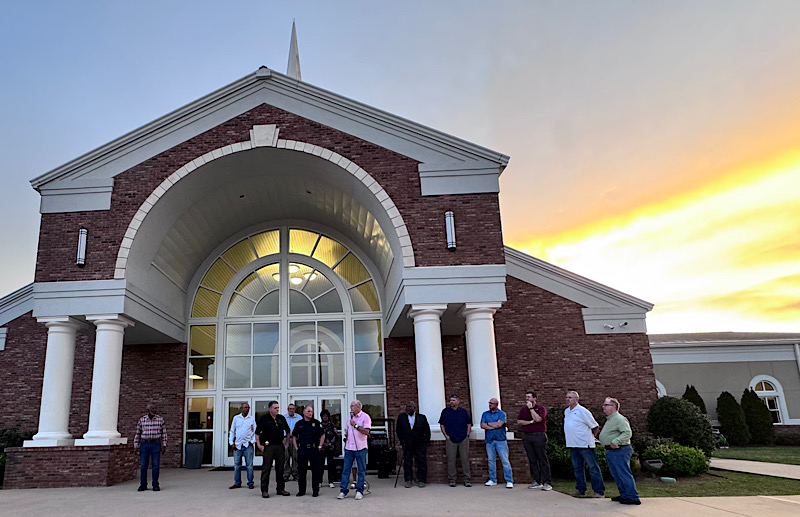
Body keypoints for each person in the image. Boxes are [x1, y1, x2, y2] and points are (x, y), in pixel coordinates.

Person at [599, 397, 641, 505]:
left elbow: (627, 433)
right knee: (616, 474)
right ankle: (624, 494)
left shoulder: (619, 419)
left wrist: (616, 441)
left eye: (606, 405)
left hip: (620, 450)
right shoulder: (610, 419)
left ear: (614, 407)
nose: (603, 407)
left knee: (623, 473)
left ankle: (632, 496)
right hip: (611, 451)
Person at [564, 390, 605, 498]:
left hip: (585, 445)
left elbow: (595, 426)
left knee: (593, 468)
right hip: (573, 444)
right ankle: (580, 489)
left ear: (576, 399)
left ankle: (598, 491)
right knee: (578, 468)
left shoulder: (583, 411)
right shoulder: (566, 411)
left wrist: (592, 437)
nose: (568, 399)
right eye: (567, 397)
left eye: (570, 398)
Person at [516, 391, 552, 490]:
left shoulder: (541, 409)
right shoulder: (523, 410)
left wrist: (531, 409)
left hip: (539, 435)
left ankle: (547, 482)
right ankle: (537, 480)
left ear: (535, 398)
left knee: (542, 458)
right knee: (532, 459)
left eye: (529, 397)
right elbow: (519, 421)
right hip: (527, 436)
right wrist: (530, 422)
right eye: (526, 397)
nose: (527, 399)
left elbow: (539, 419)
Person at [255, 401, 291, 498]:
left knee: (280, 468)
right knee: (266, 468)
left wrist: (287, 443)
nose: (277, 409)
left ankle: (280, 489)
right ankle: (264, 490)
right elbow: (257, 433)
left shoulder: (281, 418)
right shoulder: (264, 419)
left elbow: (288, 431)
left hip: (279, 446)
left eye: (278, 407)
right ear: (270, 409)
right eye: (275, 408)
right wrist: (259, 445)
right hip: (268, 446)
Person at [337, 400, 371, 500]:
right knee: (346, 470)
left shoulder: (365, 417)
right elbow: (347, 431)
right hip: (349, 448)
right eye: (350, 406)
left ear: (358, 407)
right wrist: (346, 443)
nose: (351, 408)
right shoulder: (349, 417)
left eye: (352, 406)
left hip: (360, 447)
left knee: (361, 470)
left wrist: (355, 425)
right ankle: (343, 491)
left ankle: (359, 490)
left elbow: (366, 432)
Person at [438, 394, 472, 487]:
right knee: (451, 460)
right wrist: (446, 436)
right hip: (451, 439)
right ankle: (452, 479)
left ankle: (467, 479)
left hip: (463, 439)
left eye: (453, 400)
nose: (452, 402)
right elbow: (442, 425)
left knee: (465, 459)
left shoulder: (463, 412)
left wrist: (467, 435)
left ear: (458, 401)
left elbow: (468, 424)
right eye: (451, 400)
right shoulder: (445, 412)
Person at [396, 401, 431, 488]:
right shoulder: (401, 417)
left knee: (421, 461)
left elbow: (427, 430)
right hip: (407, 443)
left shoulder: (422, 417)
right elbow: (398, 430)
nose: (408, 408)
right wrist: (402, 440)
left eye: (410, 407)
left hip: (419, 443)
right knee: (407, 462)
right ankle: (408, 480)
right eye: (407, 407)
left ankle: (422, 480)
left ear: (414, 408)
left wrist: (425, 441)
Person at [480, 398, 514, 488]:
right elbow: (482, 425)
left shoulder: (502, 414)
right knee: (491, 461)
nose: (490, 404)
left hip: (501, 440)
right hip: (489, 440)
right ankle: (493, 479)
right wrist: (494, 425)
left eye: (492, 403)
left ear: (496, 404)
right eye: (489, 403)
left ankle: (509, 480)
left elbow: (500, 425)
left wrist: (488, 424)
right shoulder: (485, 414)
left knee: (505, 460)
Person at [134, 402, 167, 492]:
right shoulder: (142, 420)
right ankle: (143, 484)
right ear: (148, 410)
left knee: (155, 465)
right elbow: (138, 433)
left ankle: (155, 484)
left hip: (155, 443)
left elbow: (164, 433)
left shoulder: (160, 420)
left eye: (155, 408)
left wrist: (164, 444)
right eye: (152, 408)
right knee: (143, 465)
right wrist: (136, 445)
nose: (154, 410)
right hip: (144, 443)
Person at [292, 405, 325, 497]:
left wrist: (320, 446)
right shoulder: (299, 423)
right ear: (303, 412)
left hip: (314, 449)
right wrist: (296, 447)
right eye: (308, 411)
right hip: (302, 449)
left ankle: (315, 490)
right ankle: (301, 490)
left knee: (315, 471)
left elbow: (322, 435)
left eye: (311, 411)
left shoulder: (316, 423)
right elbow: (294, 436)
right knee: (302, 471)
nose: (310, 413)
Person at [228, 402, 256, 490]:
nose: (246, 409)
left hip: (248, 445)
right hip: (238, 445)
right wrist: (231, 442)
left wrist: (252, 441)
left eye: (248, 407)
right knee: (237, 465)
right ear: (241, 408)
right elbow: (232, 431)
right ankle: (237, 483)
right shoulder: (236, 418)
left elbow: (256, 431)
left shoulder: (251, 419)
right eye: (245, 407)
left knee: (249, 465)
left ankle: (250, 482)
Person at [319, 409, 339, 488]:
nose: (325, 418)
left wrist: (330, 443)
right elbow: (316, 436)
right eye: (323, 416)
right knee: (320, 465)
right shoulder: (319, 426)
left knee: (331, 465)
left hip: (330, 448)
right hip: (322, 449)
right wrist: (322, 444)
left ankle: (331, 481)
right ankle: (319, 481)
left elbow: (336, 436)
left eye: (326, 416)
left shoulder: (332, 426)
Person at [283, 403, 302, 481]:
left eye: (293, 409)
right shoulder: (283, 417)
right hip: (285, 439)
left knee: (295, 457)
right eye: (290, 409)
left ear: (295, 410)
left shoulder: (299, 417)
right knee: (285, 457)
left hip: (295, 439)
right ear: (288, 409)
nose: (291, 410)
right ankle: (286, 474)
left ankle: (295, 473)